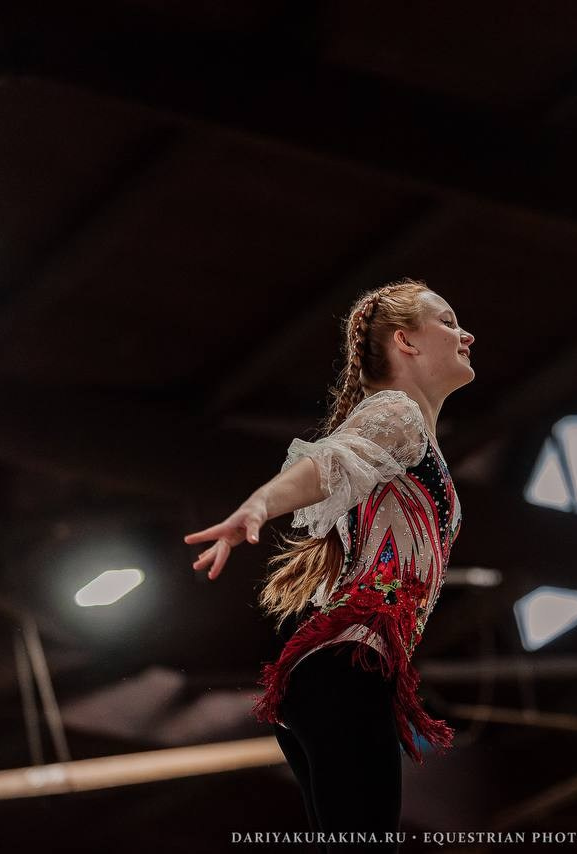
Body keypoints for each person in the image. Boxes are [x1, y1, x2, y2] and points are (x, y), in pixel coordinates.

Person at [183, 278, 476, 850]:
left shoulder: (406, 432)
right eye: (446, 320)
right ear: (405, 342)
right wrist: (260, 503)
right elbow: (332, 460)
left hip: (335, 674)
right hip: (347, 668)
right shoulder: (398, 413)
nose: (466, 333)